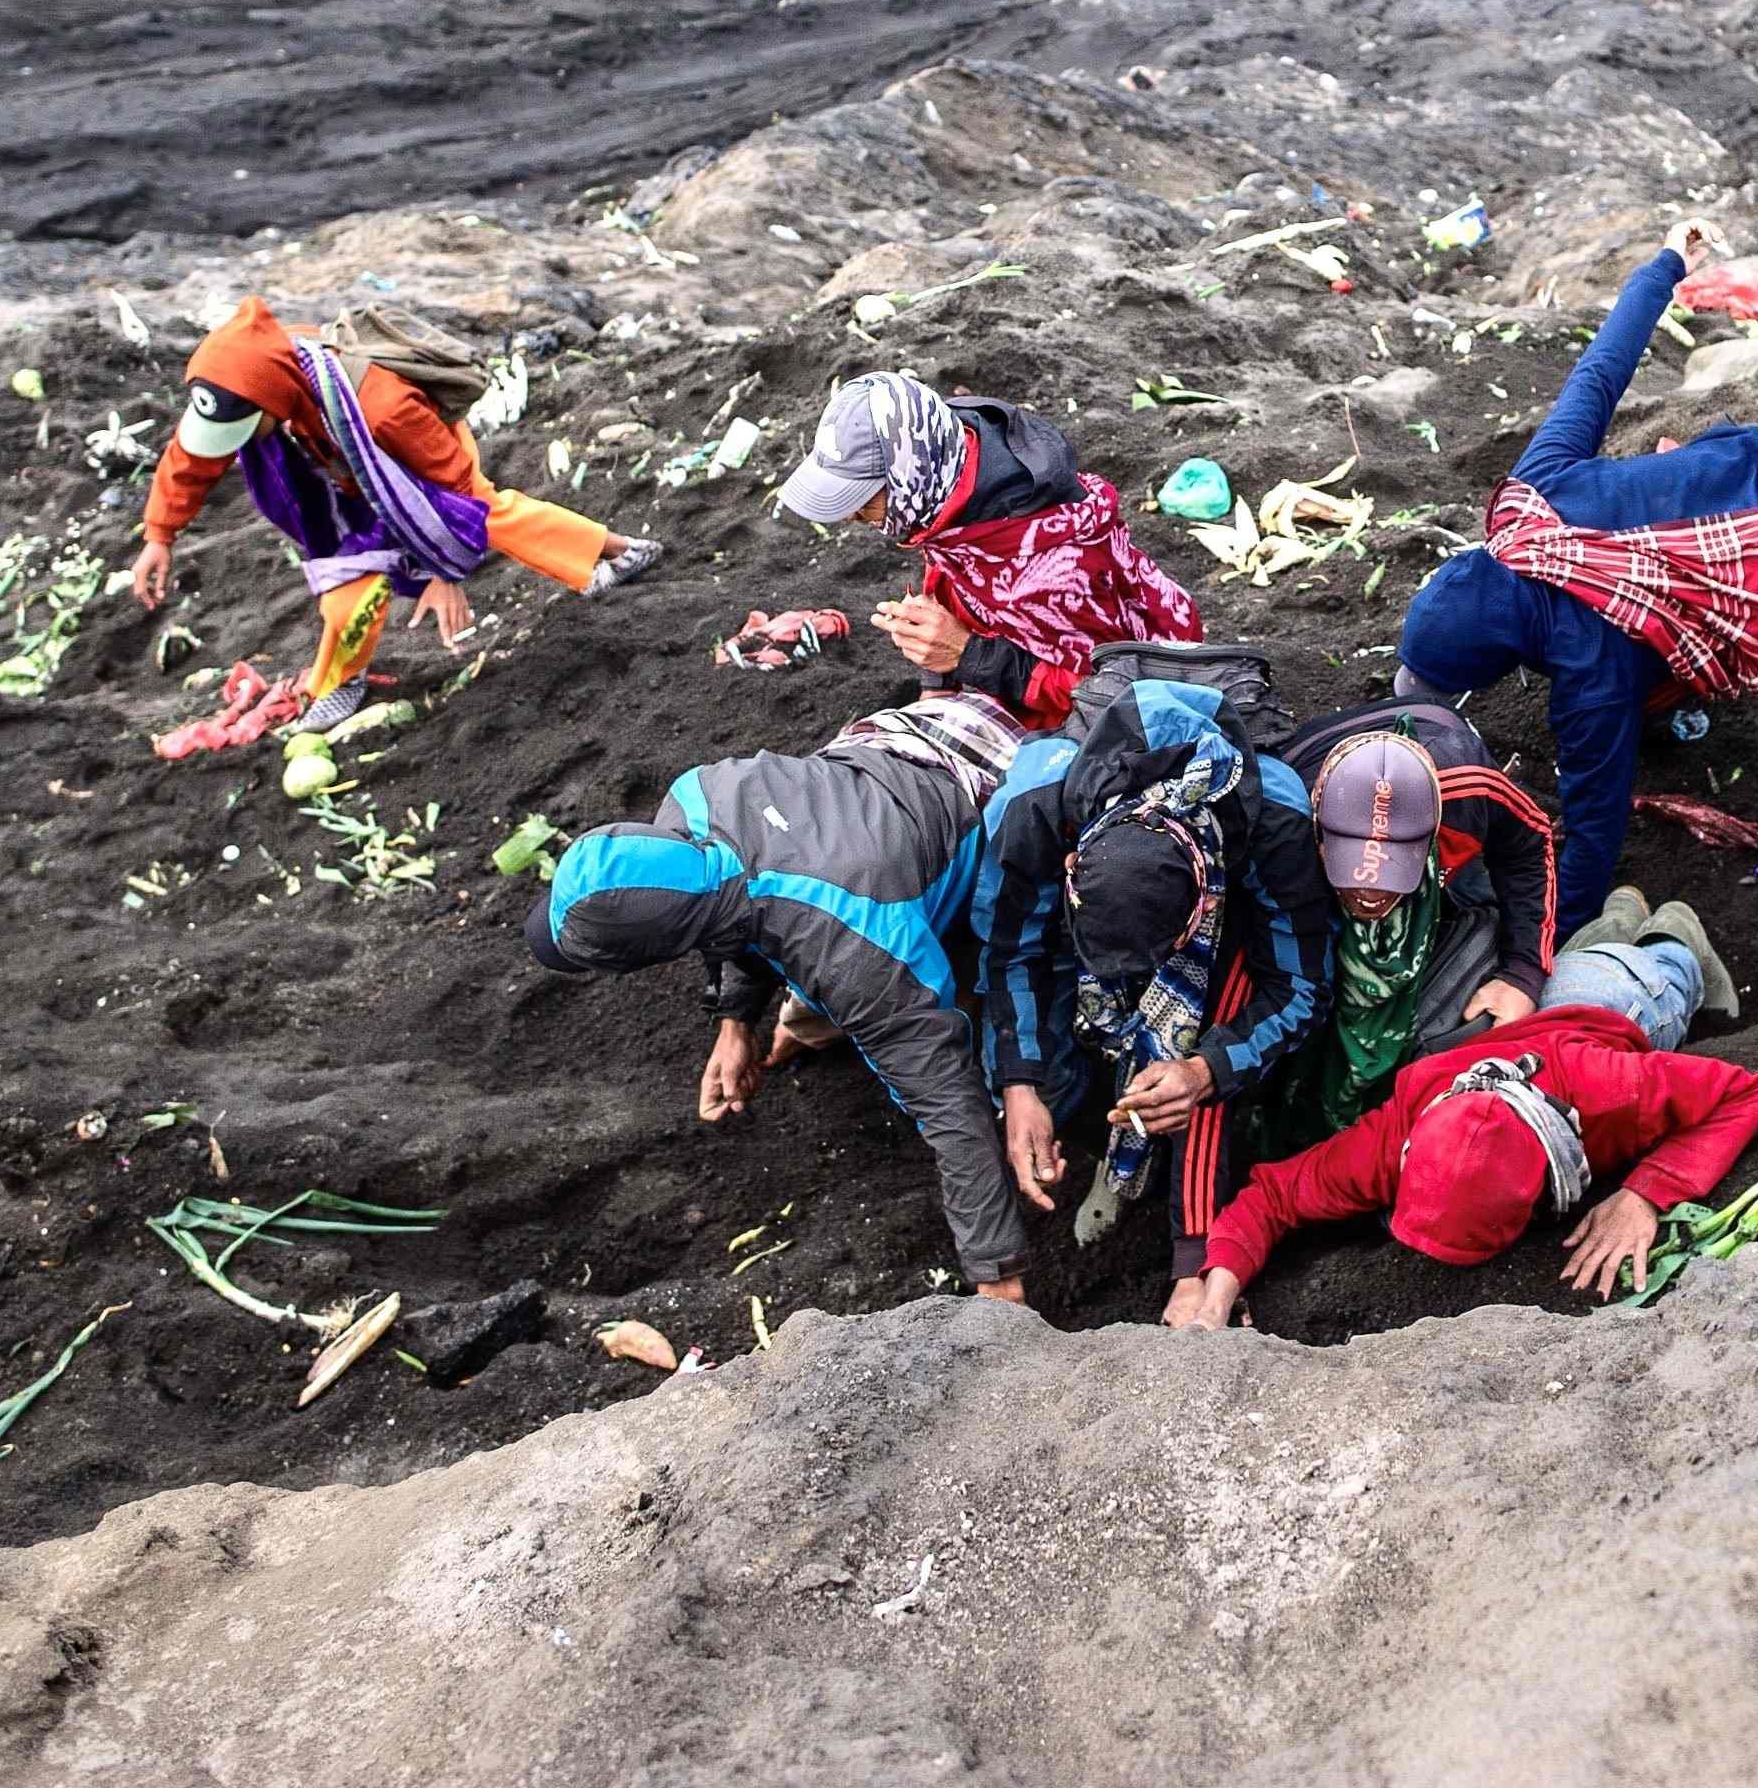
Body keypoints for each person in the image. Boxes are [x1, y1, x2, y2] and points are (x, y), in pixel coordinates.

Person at [1392, 223, 1758, 926]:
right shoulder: (1531, 497)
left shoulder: (1589, 666)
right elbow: (1603, 364)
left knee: (1681, 650)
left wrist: (1552, 943)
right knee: (1656, 572)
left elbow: (1596, 822)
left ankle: (1689, 685)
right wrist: (1669, 263)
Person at [521, 691, 1037, 1300]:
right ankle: (812, 1011)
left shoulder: (852, 950)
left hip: (992, 781)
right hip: (908, 736)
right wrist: (735, 1022)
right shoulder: (694, 797)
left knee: (973, 1031)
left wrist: (995, 1271)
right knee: (814, 970)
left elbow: (948, 1103)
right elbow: (731, 904)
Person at [1175, 898, 1758, 1326]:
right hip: (1554, 998)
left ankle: (1675, 926)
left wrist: (1645, 1193)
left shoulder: (1613, 1086)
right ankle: (1619, 908)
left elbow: (1748, 1088)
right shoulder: (1396, 1135)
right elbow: (1273, 1195)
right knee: (1587, 951)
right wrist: (1220, 1287)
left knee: (1663, 965)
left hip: (1626, 1001)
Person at [976, 665, 1332, 1321]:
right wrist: (1021, 1084)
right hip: (1087, 875)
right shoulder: (1032, 806)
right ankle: (1093, 1135)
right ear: (1072, 866)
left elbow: (1302, 984)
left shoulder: (1273, 821)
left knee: (1217, 1040)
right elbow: (1010, 951)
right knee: (1042, 1071)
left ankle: (1190, 1231)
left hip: (1223, 929)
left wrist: (1204, 1071)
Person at [128, 296, 658, 729]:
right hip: (342, 477)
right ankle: (340, 683)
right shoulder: (240, 384)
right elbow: (190, 457)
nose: (232, 447)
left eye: (242, 430)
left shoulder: (379, 405)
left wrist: (441, 569)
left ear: (272, 400)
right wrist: (159, 535)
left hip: (423, 462)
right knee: (347, 591)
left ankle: (611, 552)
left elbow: (453, 486)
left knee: (492, 515)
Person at [1276, 703, 1738, 1138]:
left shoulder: (1464, 791)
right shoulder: (1282, 831)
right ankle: (1618, 920)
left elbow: (1527, 844)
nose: (1371, 896)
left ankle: (1672, 939)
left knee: (1541, 1013)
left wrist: (1521, 973)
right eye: (1354, 874)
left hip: (1580, 976)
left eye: (1392, 875)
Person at [778, 371, 1200, 729]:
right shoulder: (954, 461)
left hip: (1121, 708)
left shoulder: (1053, 573)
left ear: (909, 478)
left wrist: (968, 654)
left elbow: (1116, 699)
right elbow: (948, 570)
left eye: (864, 499)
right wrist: (936, 681)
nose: (852, 516)